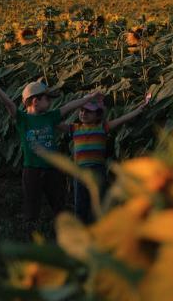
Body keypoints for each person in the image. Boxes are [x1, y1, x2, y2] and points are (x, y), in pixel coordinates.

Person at [0, 74, 103, 221]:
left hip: (52, 169)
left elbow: (69, 106)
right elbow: (9, 104)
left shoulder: (50, 117)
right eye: (47, 99)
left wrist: (89, 98)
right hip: (32, 170)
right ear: (35, 101)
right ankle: (33, 232)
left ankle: (62, 230)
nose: (50, 102)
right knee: (32, 206)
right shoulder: (23, 119)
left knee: (58, 204)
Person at [61, 93, 151, 223]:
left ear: (98, 114)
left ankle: (99, 226)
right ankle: (80, 227)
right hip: (80, 171)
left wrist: (138, 110)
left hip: (97, 170)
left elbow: (122, 119)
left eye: (88, 112)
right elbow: (54, 122)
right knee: (80, 202)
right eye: (81, 111)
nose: (83, 114)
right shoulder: (74, 128)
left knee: (98, 202)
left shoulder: (102, 127)